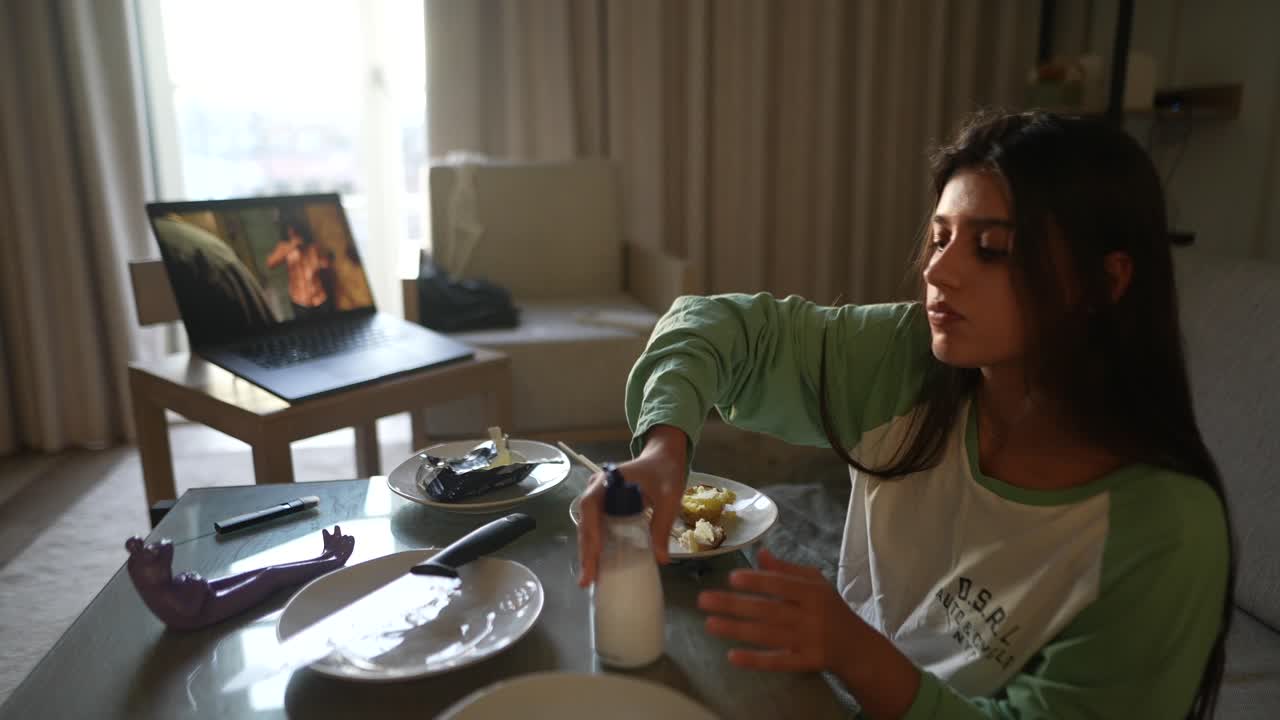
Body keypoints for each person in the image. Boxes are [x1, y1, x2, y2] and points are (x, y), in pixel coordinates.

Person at [575, 110, 1233, 719]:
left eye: (992, 249)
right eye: (940, 237)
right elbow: (713, 326)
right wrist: (664, 450)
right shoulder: (908, 360)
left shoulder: (1165, 534)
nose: (938, 272)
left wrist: (855, 652)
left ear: (1103, 283)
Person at [265, 212, 336, 319]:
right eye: (290, 230)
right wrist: (292, 245)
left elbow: (322, 264)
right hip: (300, 301)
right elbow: (270, 263)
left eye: (295, 231)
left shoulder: (313, 247)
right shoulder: (284, 247)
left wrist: (324, 264)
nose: (292, 233)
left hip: (320, 299)